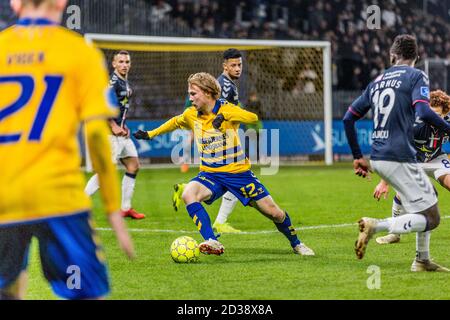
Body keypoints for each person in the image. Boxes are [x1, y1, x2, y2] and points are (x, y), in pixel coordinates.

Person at [0, 0, 134, 300]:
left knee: (6, 289)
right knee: (83, 293)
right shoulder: (81, 53)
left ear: (15, 3)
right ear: (61, 2)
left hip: (4, 197)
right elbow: (98, 138)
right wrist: (113, 209)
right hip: (59, 197)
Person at [134, 72, 315, 256]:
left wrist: (225, 118)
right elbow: (174, 122)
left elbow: (252, 118)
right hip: (211, 174)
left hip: (238, 174)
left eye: (193, 93)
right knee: (189, 193)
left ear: (207, 92)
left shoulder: (226, 109)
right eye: (189, 93)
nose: (190, 98)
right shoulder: (191, 114)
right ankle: (211, 241)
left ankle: (297, 243)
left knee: (274, 213)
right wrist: (150, 134)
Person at [343, 34, 450, 271]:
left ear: (392, 56)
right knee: (432, 218)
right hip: (399, 155)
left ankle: (422, 261)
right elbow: (423, 111)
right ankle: (376, 226)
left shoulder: (377, 81)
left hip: (378, 156)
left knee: (428, 198)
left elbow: (348, 117)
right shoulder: (416, 75)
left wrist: (358, 156)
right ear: (417, 57)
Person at [172, 48, 245, 233]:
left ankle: (186, 189)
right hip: (221, 141)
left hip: (222, 139)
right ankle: (219, 221)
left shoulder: (226, 84)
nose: (237, 68)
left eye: (240, 64)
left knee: (226, 180)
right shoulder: (224, 87)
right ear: (225, 66)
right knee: (235, 178)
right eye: (233, 65)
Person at [374, 90, 450, 247]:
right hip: (412, 160)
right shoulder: (416, 126)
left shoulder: (447, 124)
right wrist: (384, 182)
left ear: (445, 112)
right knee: (403, 193)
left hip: (436, 158)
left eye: (437, 115)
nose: (432, 119)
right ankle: (394, 234)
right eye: (431, 113)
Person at [84, 50, 145, 219]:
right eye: (121, 62)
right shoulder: (112, 82)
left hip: (121, 133)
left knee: (133, 165)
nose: (124, 65)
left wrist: (123, 126)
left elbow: (119, 109)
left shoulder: (123, 82)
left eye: (127, 62)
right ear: (114, 64)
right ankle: (80, 203)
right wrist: (112, 125)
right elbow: (102, 105)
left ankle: (125, 208)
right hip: (110, 133)